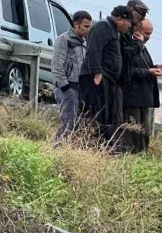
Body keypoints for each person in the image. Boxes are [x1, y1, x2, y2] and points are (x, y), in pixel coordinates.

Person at [79, 5, 133, 146]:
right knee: (95, 115)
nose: (129, 27)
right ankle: (90, 145)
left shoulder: (114, 31)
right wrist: (97, 73)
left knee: (106, 116)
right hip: (97, 79)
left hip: (108, 79)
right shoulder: (102, 27)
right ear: (120, 19)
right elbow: (93, 50)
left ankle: (101, 146)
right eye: (129, 23)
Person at [122, 18, 162, 153]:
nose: (148, 37)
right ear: (136, 31)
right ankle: (131, 159)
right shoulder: (130, 47)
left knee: (143, 133)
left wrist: (156, 67)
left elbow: (143, 66)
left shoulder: (142, 47)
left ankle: (142, 158)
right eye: (146, 33)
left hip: (143, 98)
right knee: (132, 134)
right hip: (132, 98)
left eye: (150, 34)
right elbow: (127, 71)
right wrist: (148, 72)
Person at [51, 10, 92, 145]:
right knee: (68, 121)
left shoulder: (85, 42)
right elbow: (57, 65)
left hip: (80, 88)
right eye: (85, 26)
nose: (88, 29)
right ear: (76, 24)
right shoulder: (64, 39)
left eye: (89, 26)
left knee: (78, 123)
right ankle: (58, 148)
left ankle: (69, 149)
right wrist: (65, 87)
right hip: (67, 87)